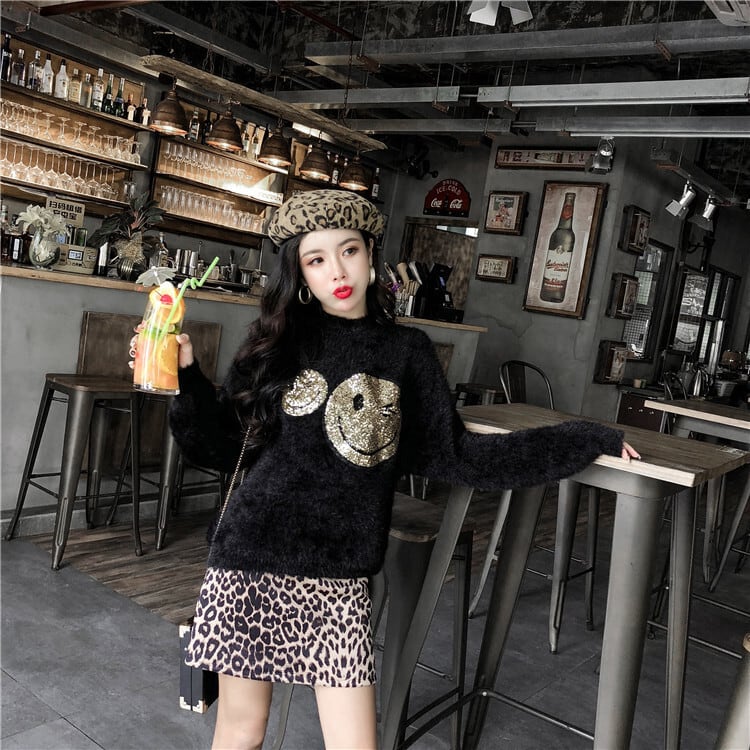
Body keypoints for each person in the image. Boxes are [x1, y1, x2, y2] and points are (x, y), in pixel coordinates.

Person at [137, 190, 638, 750]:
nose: (337, 271)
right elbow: (221, 447)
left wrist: (583, 439)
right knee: (240, 731)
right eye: (317, 259)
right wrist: (186, 379)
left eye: (348, 251)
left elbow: (459, 456)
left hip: (341, 575)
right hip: (250, 557)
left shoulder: (407, 352)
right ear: (301, 275)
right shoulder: (273, 345)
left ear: (371, 255)